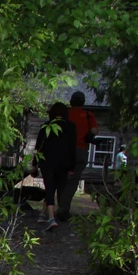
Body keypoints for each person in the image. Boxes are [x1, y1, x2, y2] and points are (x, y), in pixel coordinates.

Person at [33, 102, 76, 232]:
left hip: (47, 162)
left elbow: (38, 147)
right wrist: (72, 167)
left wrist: (35, 164)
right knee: (56, 188)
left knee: (50, 187)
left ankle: (49, 216)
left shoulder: (45, 127)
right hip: (63, 163)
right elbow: (72, 148)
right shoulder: (71, 127)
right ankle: (48, 215)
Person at [59, 91, 98, 221]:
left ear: (71, 101)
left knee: (61, 179)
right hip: (80, 150)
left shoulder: (65, 114)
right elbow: (94, 131)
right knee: (73, 181)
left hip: (64, 150)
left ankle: (57, 207)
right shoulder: (88, 115)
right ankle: (64, 209)